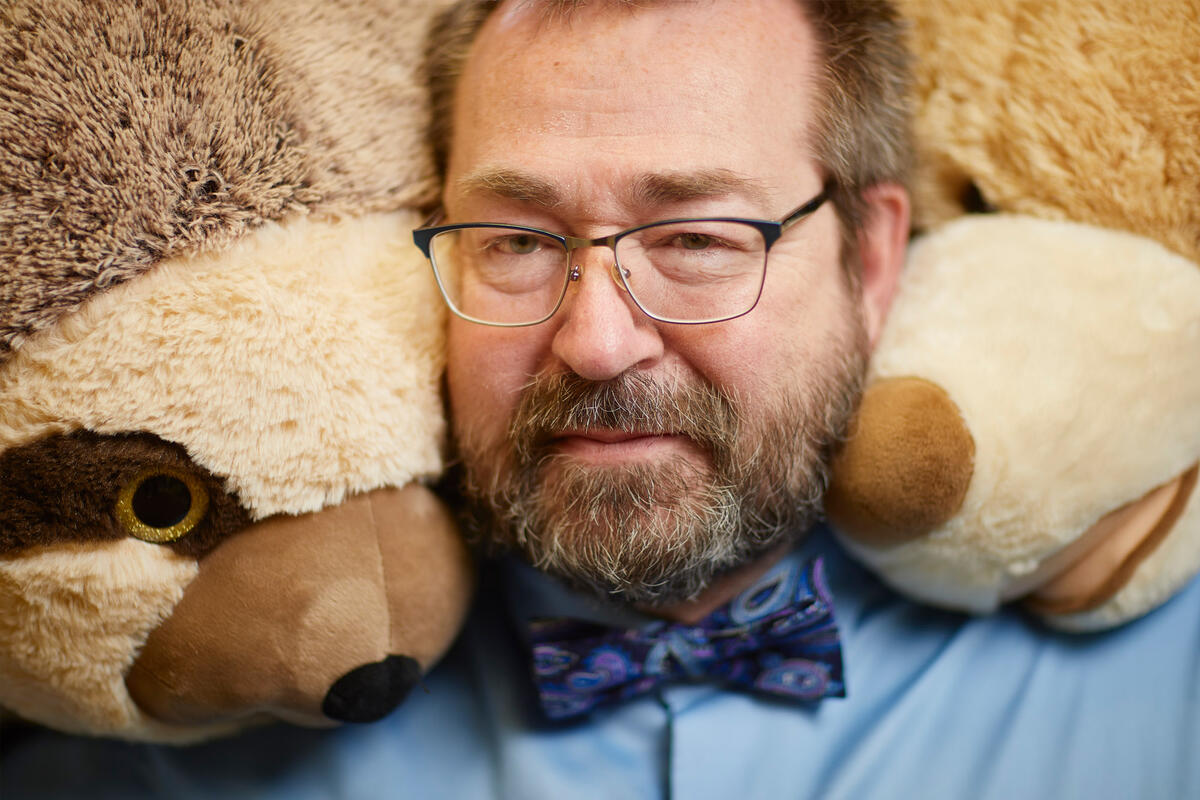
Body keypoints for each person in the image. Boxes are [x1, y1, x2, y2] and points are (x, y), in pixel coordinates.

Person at [4, 1, 1199, 798]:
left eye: (696, 235)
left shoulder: (1173, 680)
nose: (597, 339)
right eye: (517, 239)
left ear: (871, 261)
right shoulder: (167, 747)